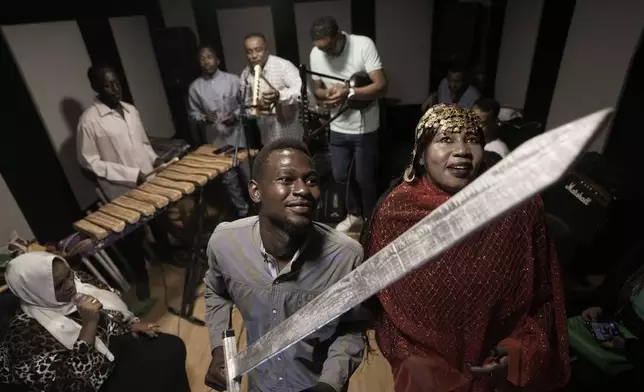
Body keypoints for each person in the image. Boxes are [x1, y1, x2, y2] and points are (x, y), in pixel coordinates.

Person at [362, 104, 570, 392]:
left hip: (493, 365)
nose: (462, 149)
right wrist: (414, 359)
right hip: (417, 367)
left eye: (472, 138)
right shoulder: (396, 213)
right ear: (421, 155)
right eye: (445, 139)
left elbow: (545, 296)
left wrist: (518, 351)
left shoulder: (519, 208)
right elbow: (377, 302)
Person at [203, 138, 369, 392]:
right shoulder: (225, 243)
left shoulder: (347, 258)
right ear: (255, 191)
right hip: (258, 384)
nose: (303, 189)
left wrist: (329, 384)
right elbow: (216, 290)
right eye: (286, 179)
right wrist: (219, 348)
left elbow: (353, 327)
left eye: (311, 180)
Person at [0, 252, 189, 392]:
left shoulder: (80, 281)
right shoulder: (23, 335)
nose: (70, 284)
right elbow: (72, 383)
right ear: (34, 291)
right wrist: (89, 325)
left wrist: (130, 323)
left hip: (110, 350)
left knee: (171, 347)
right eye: (58, 284)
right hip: (93, 380)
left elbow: (107, 312)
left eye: (68, 274)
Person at [309, 16, 388, 233]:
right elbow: (317, 90)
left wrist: (349, 92)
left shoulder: (362, 45)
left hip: (365, 126)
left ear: (339, 35)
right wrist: (327, 94)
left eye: (330, 46)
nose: (327, 53)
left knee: (364, 178)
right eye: (322, 49)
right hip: (337, 126)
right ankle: (354, 215)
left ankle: (372, 219)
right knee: (340, 176)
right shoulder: (316, 54)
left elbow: (381, 86)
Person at [188, 44, 250, 218]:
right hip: (215, 138)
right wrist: (203, 118)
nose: (206, 61)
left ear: (217, 59)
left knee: (248, 172)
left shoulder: (233, 80)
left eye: (209, 57)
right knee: (229, 178)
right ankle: (243, 212)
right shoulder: (195, 87)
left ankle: (260, 207)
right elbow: (193, 114)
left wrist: (235, 115)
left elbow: (245, 105)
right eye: (202, 58)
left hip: (237, 135)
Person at [240, 33, 303, 146]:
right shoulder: (246, 75)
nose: (254, 55)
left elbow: (303, 92)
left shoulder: (283, 66)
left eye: (258, 50)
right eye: (249, 52)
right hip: (267, 136)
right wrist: (257, 108)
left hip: (290, 131)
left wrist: (280, 95)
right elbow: (246, 108)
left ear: (267, 50)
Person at [472, 97, 509, 163]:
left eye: (481, 124)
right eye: (472, 120)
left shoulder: (499, 152)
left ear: (494, 123)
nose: (475, 127)